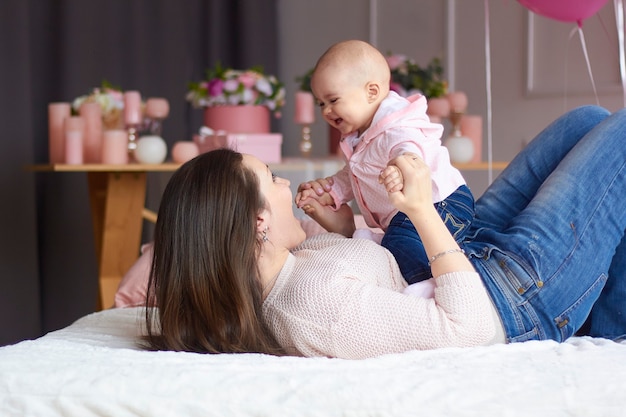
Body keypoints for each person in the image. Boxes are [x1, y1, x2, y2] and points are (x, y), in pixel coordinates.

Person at [145, 105, 626, 359]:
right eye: (271, 180)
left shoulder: (288, 267)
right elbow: (469, 327)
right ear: (257, 223)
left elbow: (376, 271)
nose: (285, 182)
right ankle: (605, 321)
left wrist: (342, 226)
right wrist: (420, 210)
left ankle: (605, 318)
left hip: (466, 258)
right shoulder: (316, 309)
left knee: (584, 120)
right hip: (507, 299)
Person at [295, 39, 474, 284]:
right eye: (321, 103)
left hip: (441, 203)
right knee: (396, 243)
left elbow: (408, 147)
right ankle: (379, 243)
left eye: (333, 100)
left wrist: (401, 167)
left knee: (400, 246)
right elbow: (354, 174)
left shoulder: (394, 124)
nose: (326, 110)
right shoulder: (361, 136)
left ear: (371, 92)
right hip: (406, 216)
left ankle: (429, 287)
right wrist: (332, 191)